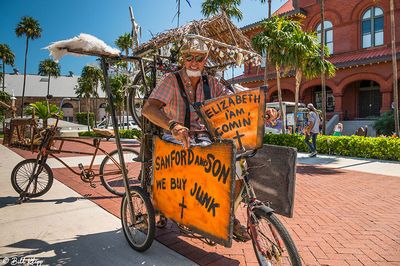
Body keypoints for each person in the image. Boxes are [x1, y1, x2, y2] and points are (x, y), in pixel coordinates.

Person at [142, 38, 251, 241]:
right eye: (189, 57)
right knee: (197, 165)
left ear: (205, 60)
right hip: (174, 139)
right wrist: (173, 126)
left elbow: (234, 101)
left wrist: (263, 109)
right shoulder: (171, 80)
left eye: (199, 58)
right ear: (183, 58)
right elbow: (148, 109)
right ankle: (187, 211)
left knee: (237, 168)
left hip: (204, 139)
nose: (194, 62)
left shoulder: (212, 83)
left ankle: (228, 216)